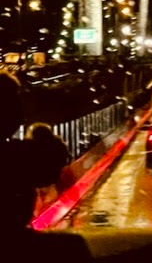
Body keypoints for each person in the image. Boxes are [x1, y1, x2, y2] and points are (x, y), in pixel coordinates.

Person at [0, 69, 93, 262]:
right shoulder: (15, 155)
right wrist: (45, 139)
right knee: (75, 247)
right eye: (14, 103)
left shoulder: (15, 152)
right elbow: (49, 170)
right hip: (11, 240)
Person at [25, 122, 73, 215]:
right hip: (53, 180)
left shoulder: (30, 148)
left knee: (38, 206)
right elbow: (67, 158)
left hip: (36, 182)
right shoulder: (57, 144)